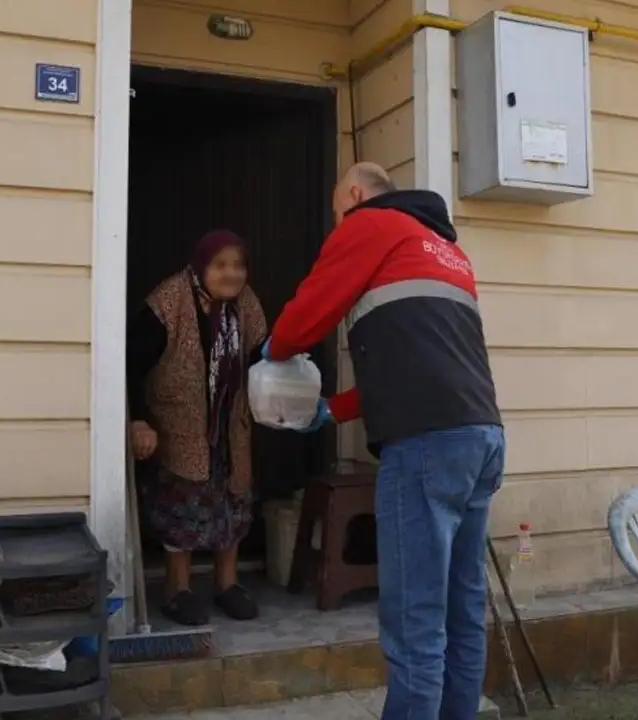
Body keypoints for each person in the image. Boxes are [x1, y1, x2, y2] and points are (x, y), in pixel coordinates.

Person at [264, 163, 505, 719]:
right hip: (481, 437)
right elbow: (418, 366)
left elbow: (305, 319)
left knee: (415, 621)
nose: (337, 227)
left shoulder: (369, 224)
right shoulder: (448, 251)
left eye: (336, 214)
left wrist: (271, 353)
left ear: (353, 194)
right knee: (462, 613)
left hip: (425, 445)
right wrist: (332, 410)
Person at [127, 229, 268, 627]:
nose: (231, 274)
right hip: (179, 425)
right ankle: (177, 590)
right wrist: (137, 420)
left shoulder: (246, 303)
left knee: (233, 500)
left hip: (230, 425)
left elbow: (262, 352)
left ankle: (227, 584)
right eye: (220, 265)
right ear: (201, 266)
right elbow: (131, 363)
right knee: (181, 507)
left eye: (238, 265)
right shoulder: (169, 300)